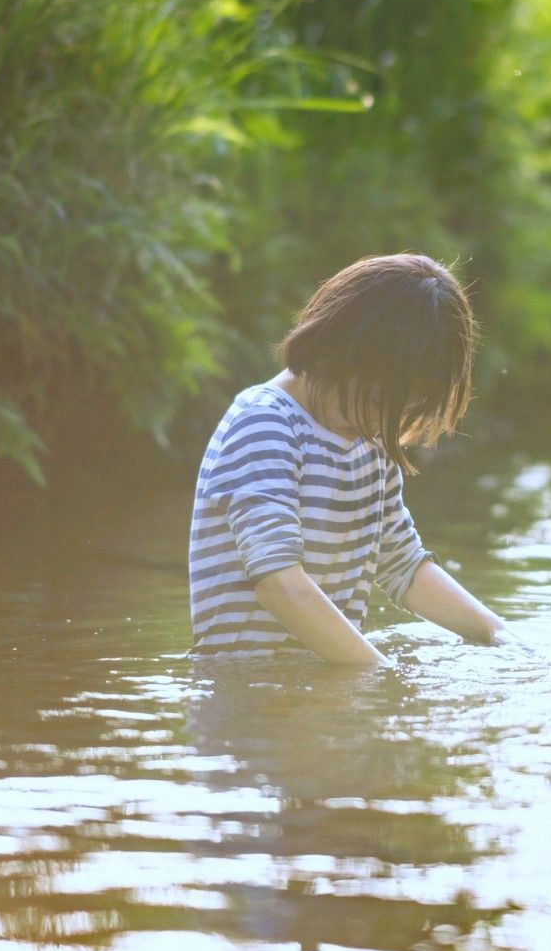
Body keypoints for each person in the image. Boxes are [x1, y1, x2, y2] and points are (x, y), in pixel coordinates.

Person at [189, 253, 510, 664]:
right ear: (333, 351)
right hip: (251, 699)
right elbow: (278, 584)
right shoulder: (266, 425)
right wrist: (379, 673)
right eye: (377, 401)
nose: (381, 422)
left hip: (322, 694)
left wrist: (498, 635)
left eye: (403, 410)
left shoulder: (367, 443)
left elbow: (403, 565)